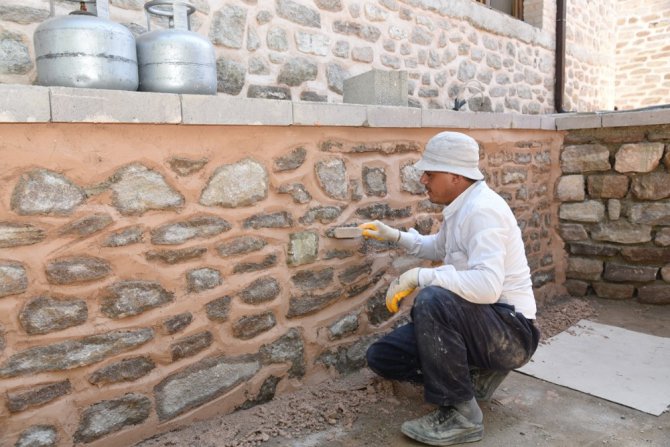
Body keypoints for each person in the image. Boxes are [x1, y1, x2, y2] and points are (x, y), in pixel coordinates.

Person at [360, 131, 540, 446]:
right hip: (482, 326)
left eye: (430, 173)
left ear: (455, 176)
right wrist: (396, 237)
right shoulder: (462, 206)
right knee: (383, 357)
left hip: (511, 333)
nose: (424, 180)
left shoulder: (483, 210)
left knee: (433, 300)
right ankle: (475, 376)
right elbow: (438, 247)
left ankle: (462, 415)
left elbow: (486, 286)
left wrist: (419, 277)